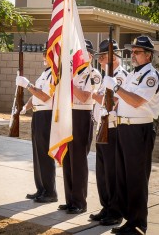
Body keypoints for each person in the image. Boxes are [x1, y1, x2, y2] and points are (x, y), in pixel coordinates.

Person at [103, 35, 159, 235]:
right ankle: (129, 221)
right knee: (124, 177)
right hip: (124, 128)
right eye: (132, 52)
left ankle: (138, 225)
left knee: (136, 178)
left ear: (148, 55)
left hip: (139, 130)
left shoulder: (151, 76)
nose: (133, 55)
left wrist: (116, 87)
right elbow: (122, 100)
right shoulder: (133, 74)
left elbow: (136, 101)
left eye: (137, 52)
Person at [58, 39, 102, 214]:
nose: (78, 56)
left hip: (82, 115)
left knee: (79, 161)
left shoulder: (94, 73)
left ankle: (80, 202)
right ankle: (70, 199)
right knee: (68, 159)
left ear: (90, 55)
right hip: (69, 114)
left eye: (82, 53)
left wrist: (67, 82)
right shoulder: (72, 73)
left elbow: (85, 97)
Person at [90, 39, 128, 226]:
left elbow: (110, 102)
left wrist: (96, 95)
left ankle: (115, 211)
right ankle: (106, 207)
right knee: (102, 173)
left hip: (113, 129)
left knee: (113, 173)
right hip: (102, 127)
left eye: (104, 56)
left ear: (114, 57)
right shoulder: (107, 76)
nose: (102, 60)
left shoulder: (120, 77)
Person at [16, 42, 57, 203]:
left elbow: (45, 96)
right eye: (45, 54)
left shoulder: (54, 74)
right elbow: (36, 96)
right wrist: (25, 107)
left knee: (45, 154)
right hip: (38, 115)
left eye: (49, 54)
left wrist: (28, 85)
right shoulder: (44, 74)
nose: (45, 57)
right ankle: (41, 188)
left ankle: (50, 191)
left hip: (47, 115)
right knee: (37, 153)